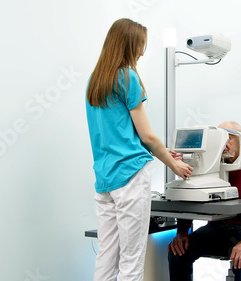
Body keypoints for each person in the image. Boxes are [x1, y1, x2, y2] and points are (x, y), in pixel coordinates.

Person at [85, 18, 193, 281]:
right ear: (129, 44)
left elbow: (119, 132)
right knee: (132, 260)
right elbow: (146, 135)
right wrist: (173, 164)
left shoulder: (95, 81)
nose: (143, 51)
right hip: (131, 176)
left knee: (106, 257)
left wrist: (162, 150)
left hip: (105, 178)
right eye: (141, 45)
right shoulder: (127, 77)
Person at [167, 121, 241, 281]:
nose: (224, 144)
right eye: (220, 139)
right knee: (177, 252)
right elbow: (189, 200)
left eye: (229, 138)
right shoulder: (209, 167)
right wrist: (182, 232)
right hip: (217, 228)